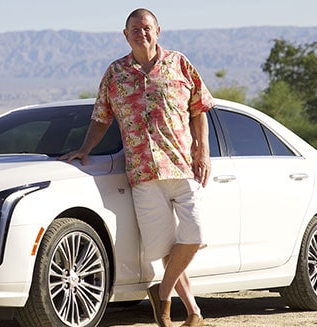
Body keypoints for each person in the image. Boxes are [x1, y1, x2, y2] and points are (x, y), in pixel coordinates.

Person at [59, 8, 214, 327]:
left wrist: (203, 153)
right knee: (166, 249)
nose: (140, 33)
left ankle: (163, 294)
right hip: (142, 174)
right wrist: (85, 149)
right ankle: (194, 313)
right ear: (125, 34)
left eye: (146, 27)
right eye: (134, 28)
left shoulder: (180, 63)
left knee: (195, 235)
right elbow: (101, 117)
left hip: (183, 166)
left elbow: (200, 109)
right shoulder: (115, 73)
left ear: (158, 30)